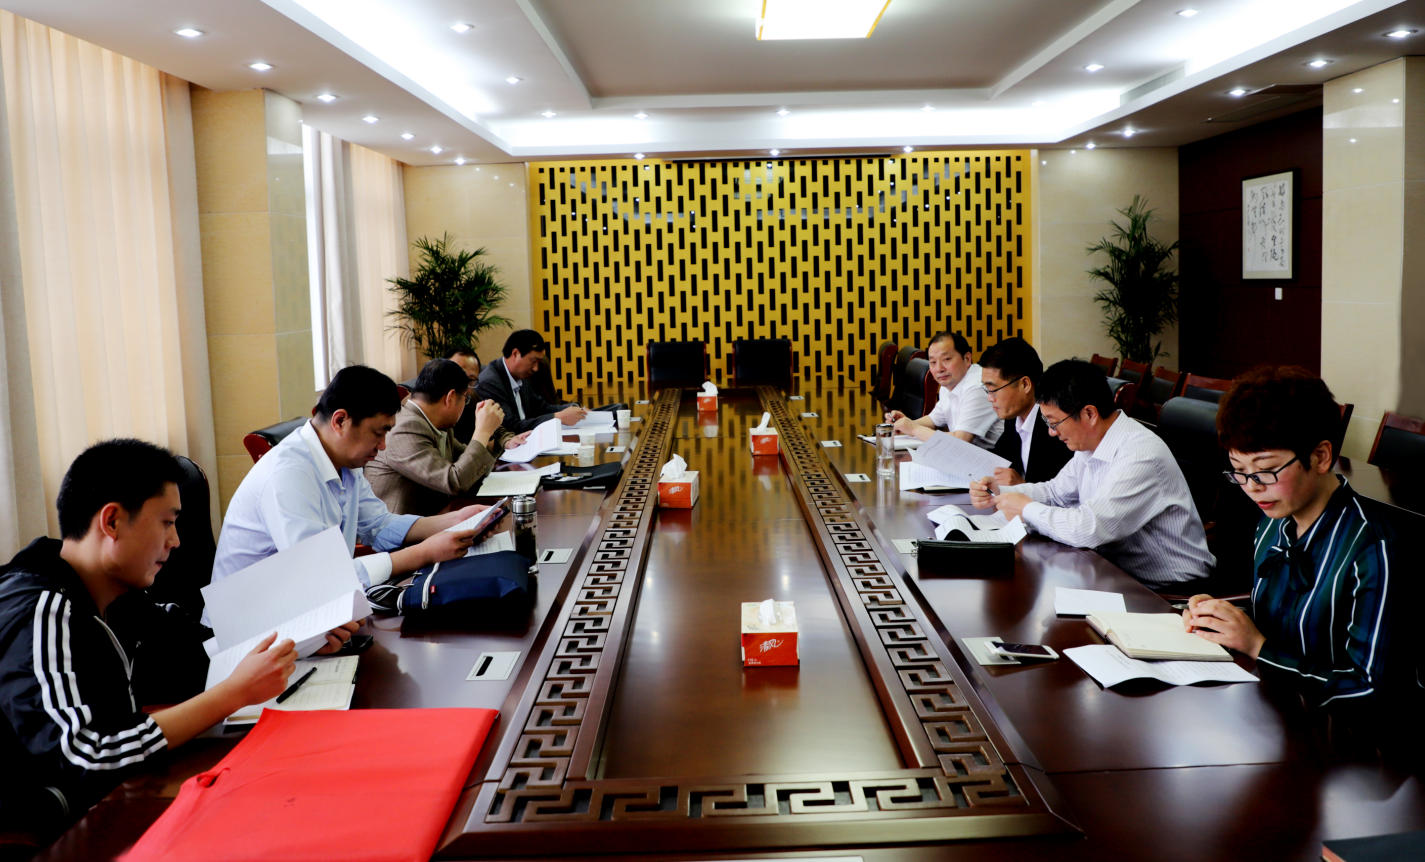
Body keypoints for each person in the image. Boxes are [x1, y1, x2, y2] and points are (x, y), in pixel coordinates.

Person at [0, 440, 298, 839]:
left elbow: (195, 647)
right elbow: (85, 755)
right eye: (167, 522)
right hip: (50, 831)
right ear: (112, 522)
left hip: (120, 797)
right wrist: (233, 694)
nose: (176, 541)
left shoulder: (117, 593)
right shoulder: (40, 610)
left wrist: (302, 635)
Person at [1182, 368, 1400, 718]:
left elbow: (1371, 691)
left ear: (1321, 457)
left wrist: (1258, 647)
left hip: (1340, 735)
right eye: (1239, 470)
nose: (1252, 487)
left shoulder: (1374, 549)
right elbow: (1281, 620)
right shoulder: (1273, 520)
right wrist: (1221, 617)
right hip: (1270, 710)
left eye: (1266, 470)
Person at [211, 365, 488, 605]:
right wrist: (424, 553)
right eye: (378, 433)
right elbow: (321, 576)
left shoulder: (343, 461)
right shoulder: (289, 475)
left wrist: (456, 521)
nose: (383, 446)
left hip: (306, 603)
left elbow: (377, 523)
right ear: (340, 420)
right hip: (252, 623)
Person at [969, 359, 1213, 589]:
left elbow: (1090, 528)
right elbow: (1055, 493)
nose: (1052, 432)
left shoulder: (1141, 455)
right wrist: (1001, 493)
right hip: (1114, 572)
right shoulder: (1090, 442)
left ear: (1089, 414)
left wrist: (1026, 509)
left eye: (1054, 422)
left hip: (1170, 590)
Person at [366, 358, 530, 516]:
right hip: (399, 531)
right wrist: (482, 431)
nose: (465, 405)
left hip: (435, 518)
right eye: (465, 399)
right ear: (450, 398)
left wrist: (489, 433)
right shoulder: (405, 428)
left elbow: (471, 467)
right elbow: (454, 482)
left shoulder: (437, 423)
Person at [887, 331, 1002, 450]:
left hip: (995, 457)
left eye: (946, 359)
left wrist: (912, 428)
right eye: (933, 362)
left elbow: (961, 440)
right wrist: (904, 423)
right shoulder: (950, 383)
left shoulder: (977, 387)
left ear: (967, 359)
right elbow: (933, 420)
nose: (939, 369)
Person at [979, 337, 1072, 485]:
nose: (990, 398)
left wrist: (1022, 487)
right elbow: (1000, 457)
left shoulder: (1056, 425)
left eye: (994, 389)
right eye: (987, 389)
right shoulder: (1013, 415)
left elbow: (1064, 491)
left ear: (1025, 384)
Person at [476, 330, 589, 434]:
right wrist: (557, 417)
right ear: (515, 354)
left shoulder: (521, 375)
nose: (536, 368)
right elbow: (510, 427)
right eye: (533, 361)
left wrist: (575, 409)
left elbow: (541, 408)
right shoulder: (490, 382)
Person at [444, 347, 483, 445]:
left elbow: (496, 429)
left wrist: (507, 441)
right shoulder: (429, 410)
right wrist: (484, 433)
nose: (463, 386)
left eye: (470, 380)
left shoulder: (472, 398)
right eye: (458, 377)